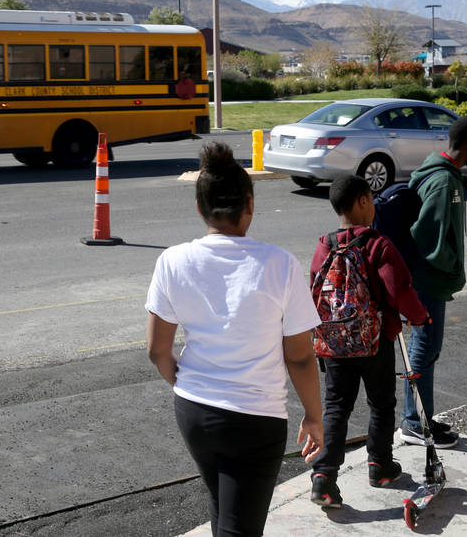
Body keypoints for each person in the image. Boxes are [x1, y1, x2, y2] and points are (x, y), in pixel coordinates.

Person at [145, 141, 324, 537]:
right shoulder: (280, 264)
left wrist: (183, 381)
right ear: (250, 204)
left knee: (223, 510)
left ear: (199, 207)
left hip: (194, 409)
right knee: (240, 526)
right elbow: (298, 357)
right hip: (256, 418)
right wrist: (314, 414)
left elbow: (158, 350)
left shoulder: (172, 260)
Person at [308, 175, 429, 509]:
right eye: (372, 199)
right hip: (373, 340)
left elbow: (315, 291)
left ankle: (324, 478)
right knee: (380, 402)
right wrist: (420, 318)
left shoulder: (324, 245)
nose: (374, 205)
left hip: (334, 342)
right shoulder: (378, 244)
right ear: (361, 201)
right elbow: (399, 290)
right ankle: (380, 465)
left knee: (336, 405)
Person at [398, 116, 467, 449]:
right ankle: (415, 423)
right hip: (428, 282)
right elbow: (429, 238)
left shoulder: (447, 176)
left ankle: (419, 417)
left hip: (429, 282)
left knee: (426, 350)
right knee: (424, 351)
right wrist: (453, 269)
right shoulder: (444, 182)